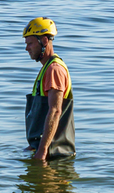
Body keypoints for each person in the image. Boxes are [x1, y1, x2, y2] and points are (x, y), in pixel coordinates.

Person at [22, 17, 75, 161]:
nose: (26, 48)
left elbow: (55, 111)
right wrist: (34, 146)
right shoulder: (46, 68)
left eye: (30, 43)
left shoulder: (54, 69)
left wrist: (42, 150)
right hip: (45, 151)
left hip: (55, 154)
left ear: (44, 41)